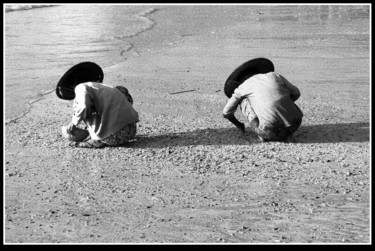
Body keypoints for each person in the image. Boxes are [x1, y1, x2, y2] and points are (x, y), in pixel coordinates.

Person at [57, 62, 139, 148]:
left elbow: (83, 106)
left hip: (113, 138)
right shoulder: (103, 87)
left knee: (80, 104)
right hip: (131, 131)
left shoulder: (81, 87)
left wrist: (73, 123)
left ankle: (98, 139)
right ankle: (103, 131)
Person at [223, 71, 303, 142]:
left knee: (244, 101)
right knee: (283, 95)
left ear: (242, 81)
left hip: (268, 132)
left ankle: (262, 135)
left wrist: (238, 124)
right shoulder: (275, 76)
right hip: (294, 126)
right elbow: (296, 93)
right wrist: (283, 106)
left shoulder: (244, 86)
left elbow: (226, 112)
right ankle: (285, 126)